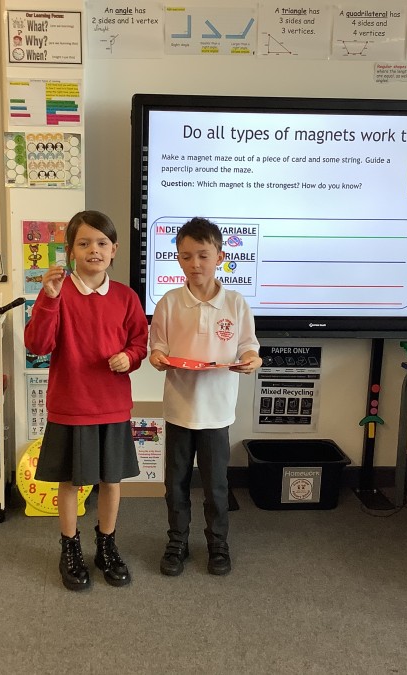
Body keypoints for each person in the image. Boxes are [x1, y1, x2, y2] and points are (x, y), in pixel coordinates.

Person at [24, 210, 148, 591]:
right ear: (70, 251)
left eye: (101, 242)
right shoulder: (57, 294)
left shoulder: (126, 297)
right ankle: (70, 547)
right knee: (70, 481)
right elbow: (37, 344)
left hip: (112, 405)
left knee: (111, 480)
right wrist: (47, 299)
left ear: (114, 250)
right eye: (84, 243)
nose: (94, 249)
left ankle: (106, 545)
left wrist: (129, 357)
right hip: (71, 405)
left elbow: (139, 342)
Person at [149, 217, 262, 577]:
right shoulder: (169, 302)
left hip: (217, 412)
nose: (194, 264)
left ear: (219, 256)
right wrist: (157, 357)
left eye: (203, 255)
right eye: (186, 256)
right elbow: (157, 346)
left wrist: (252, 359)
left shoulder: (236, 303)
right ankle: (176, 542)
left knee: (216, 486)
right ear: (178, 259)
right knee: (176, 485)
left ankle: (218, 544)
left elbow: (248, 346)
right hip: (179, 409)